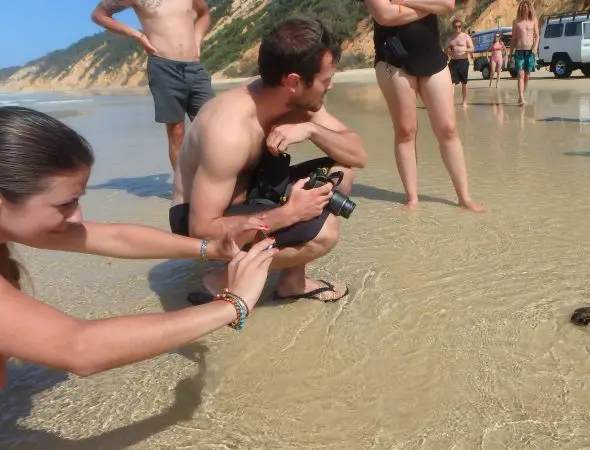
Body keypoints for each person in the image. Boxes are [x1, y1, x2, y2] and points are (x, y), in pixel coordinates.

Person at [0, 106, 279, 388]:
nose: (77, 216)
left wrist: (212, 248)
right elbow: (79, 348)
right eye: (64, 203)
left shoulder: (15, 222)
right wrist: (233, 305)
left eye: (77, 199)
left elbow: (115, 238)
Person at [170, 17, 366, 303]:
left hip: (251, 192)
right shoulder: (229, 132)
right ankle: (222, 279)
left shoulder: (293, 99)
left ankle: (292, 282)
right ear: (295, 82)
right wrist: (289, 214)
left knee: (341, 172)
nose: (331, 86)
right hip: (198, 216)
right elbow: (200, 230)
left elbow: (357, 154)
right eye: (326, 79)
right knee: (324, 232)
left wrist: (311, 129)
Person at [364, 0, 484, 212]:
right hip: (393, 58)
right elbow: (384, 15)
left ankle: (464, 197)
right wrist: (428, 6)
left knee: (448, 129)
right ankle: (412, 199)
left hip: (431, 55)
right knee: (406, 131)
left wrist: (401, 2)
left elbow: (447, 5)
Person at [91, 0, 215, 172]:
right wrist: (137, 35)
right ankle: (183, 188)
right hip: (164, 67)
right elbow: (99, 15)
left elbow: (204, 14)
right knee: (176, 133)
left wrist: (197, 38)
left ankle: (211, 178)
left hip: (194, 67)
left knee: (211, 125)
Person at [510, 0, 539, 106]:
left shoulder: (534, 20)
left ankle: (521, 95)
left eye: (527, 6)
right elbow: (513, 39)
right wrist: (510, 53)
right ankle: (521, 98)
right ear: (520, 8)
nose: (525, 8)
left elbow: (537, 36)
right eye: (523, 6)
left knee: (527, 75)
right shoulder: (516, 22)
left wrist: (535, 46)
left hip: (530, 52)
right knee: (521, 74)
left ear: (530, 8)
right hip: (519, 51)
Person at [446, 18, 474, 105]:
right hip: (453, 61)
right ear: (453, 27)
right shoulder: (450, 39)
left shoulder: (466, 37)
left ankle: (464, 101)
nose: (457, 28)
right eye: (455, 27)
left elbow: (472, 49)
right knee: (451, 83)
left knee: (464, 83)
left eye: (459, 26)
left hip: (463, 61)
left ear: (461, 27)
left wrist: (466, 49)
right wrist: (448, 51)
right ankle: (450, 102)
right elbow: (445, 49)